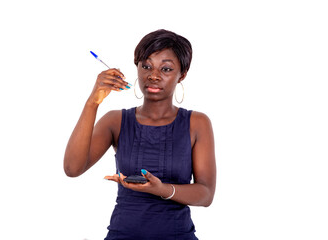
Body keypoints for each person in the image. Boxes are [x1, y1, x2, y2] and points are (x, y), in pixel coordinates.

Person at [64, 29, 216, 240]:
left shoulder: (197, 123)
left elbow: (206, 194)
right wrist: (93, 102)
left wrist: (161, 189)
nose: (153, 76)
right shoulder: (115, 121)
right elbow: (72, 168)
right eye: (146, 66)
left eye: (166, 69)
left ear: (182, 74)